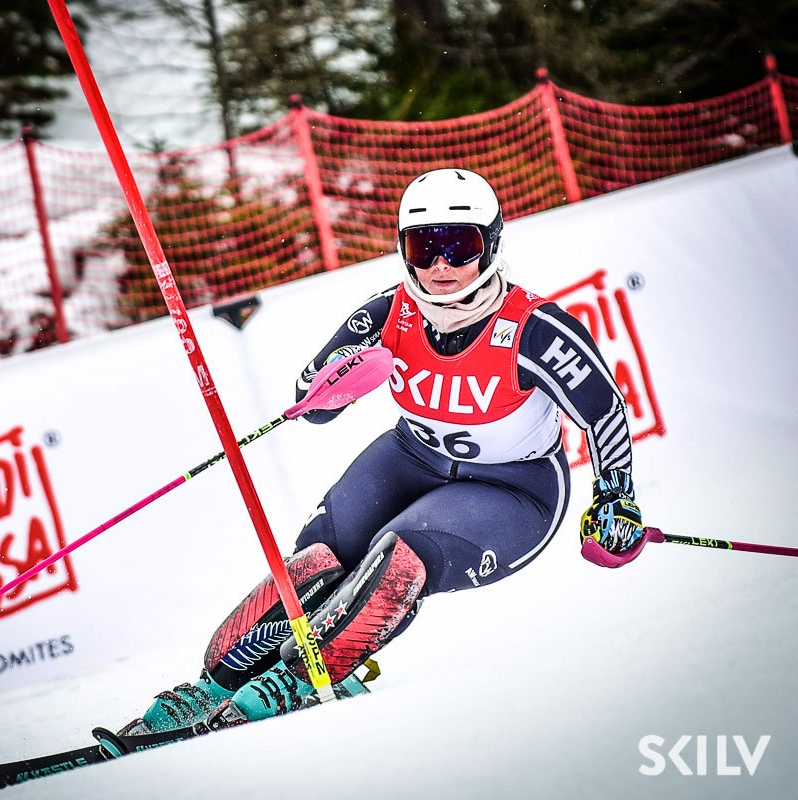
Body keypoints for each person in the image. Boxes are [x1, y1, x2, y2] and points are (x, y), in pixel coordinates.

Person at [123, 168, 644, 733]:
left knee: (400, 554)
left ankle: (303, 678)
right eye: (423, 247)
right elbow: (312, 405)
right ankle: (214, 686)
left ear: (491, 244)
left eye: (459, 246)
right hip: (413, 458)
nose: (440, 265)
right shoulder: (387, 314)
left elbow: (604, 409)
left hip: (512, 487)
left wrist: (615, 498)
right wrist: (337, 379)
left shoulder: (535, 328)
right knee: (321, 554)